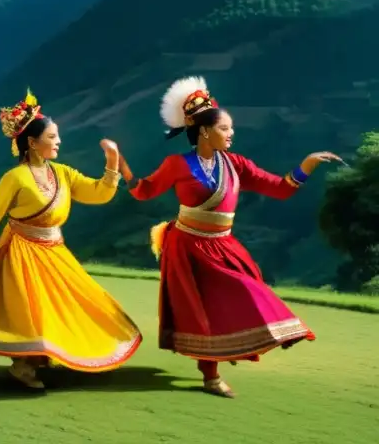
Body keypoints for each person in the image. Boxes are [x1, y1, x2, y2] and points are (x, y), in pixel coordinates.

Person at [128, 75, 340, 399]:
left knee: (246, 290)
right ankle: (211, 376)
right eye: (225, 128)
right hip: (188, 246)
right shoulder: (177, 165)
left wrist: (307, 164)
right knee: (202, 311)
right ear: (203, 131)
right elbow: (144, 191)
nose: (231, 134)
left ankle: (264, 338)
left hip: (223, 245)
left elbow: (280, 189)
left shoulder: (236, 164)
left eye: (230, 128)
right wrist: (121, 170)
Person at [0, 90, 142, 391]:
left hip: (55, 250)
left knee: (76, 302)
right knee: (33, 309)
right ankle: (24, 365)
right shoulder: (15, 177)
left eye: (57, 135)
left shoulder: (63, 173)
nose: (58, 141)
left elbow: (98, 193)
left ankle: (51, 354)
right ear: (32, 142)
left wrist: (112, 163)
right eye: (52, 136)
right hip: (22, 251)